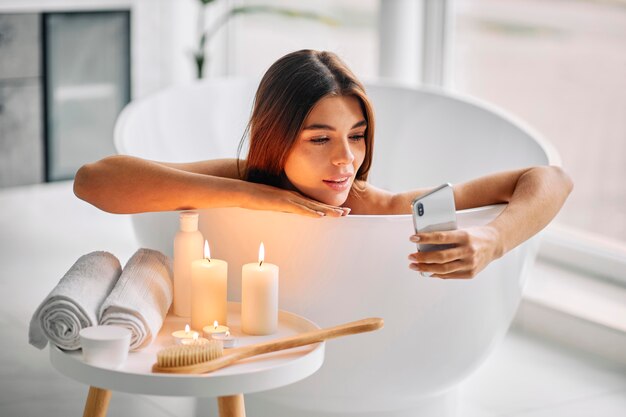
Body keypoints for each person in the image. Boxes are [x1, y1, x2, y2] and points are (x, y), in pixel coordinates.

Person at [74, 49, 573, 279]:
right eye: (319, 139)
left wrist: (493, 238)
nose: (346, 160)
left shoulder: (385, 209)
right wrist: (257, 195)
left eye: (357, 137)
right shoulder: (245, 177)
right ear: (277, 138)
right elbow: (93, 182)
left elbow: (550, 179)